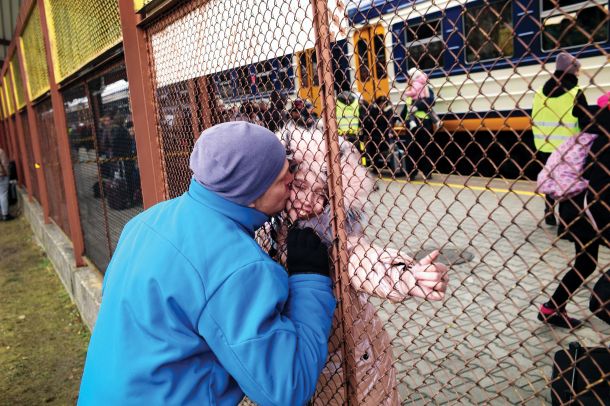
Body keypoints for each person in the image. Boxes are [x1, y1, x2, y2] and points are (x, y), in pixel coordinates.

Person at [78, 122, 336, 405]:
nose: (291, 181)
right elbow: (287, 387)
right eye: (282, 181)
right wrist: (310, 280)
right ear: (251, 198)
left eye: (290, 167)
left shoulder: (144, 223)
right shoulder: (238, 268)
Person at [270, 122, 449, 404]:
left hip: (353, 360)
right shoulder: (263, 231)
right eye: (302, 186)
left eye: (322, 195)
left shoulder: (332, 236)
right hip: (303, 361)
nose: (311, 203)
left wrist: (407, 277)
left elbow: (361, 259)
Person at [537, 93, 610, 329]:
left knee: (586, 263)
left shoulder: (591, 136)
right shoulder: (605, 142)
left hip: (575, 208)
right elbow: (600, 189)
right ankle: (601, 303)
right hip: (591, 210)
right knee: (586, 263)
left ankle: (551, 308)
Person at [531, 51, 589, 225]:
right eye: (577, 70)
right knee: (567, 183)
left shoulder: (540, 92)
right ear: (572, 71)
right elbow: (585, 122)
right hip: (568, 148)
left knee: (551, 178)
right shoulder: (575, 92)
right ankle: (565, 224)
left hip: (544, 145)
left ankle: (549, 213)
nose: (579, 74)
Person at [400, 68, 438, 180]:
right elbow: (406, 107)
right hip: (410, 123)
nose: (407, 79)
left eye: (409, 76)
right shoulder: (410, 89)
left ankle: (427, 172)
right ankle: (411, 173)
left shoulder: (425, 87)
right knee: (411, 150)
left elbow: (431, 101)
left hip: (423, 122)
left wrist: (417, 106)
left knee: (425, 148)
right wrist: (399, 118)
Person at [0, 147, 14, 221]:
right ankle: (5, 214)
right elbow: (5, 164)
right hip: (2, 175)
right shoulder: (1, 152)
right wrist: (7, 173)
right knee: (3, 194)